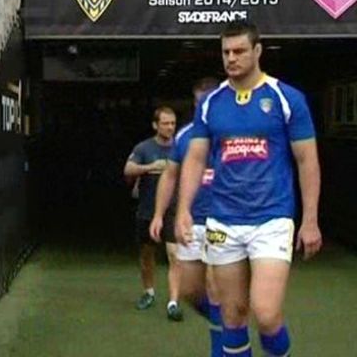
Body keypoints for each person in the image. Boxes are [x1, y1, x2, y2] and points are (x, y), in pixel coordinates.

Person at [176, 20, 322, 357]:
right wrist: (183, 209)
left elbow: (307, 161)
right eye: (226, 51)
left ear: (257, 51)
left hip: (272, 218)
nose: (232, 57)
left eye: (239, 50)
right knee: (232, 314)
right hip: (224, 219)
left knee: (267, 314)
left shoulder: (286, 99)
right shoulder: (211, 103)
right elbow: (196, 158)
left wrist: (310, 219)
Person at [150, 77, 222, 356]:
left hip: (225, 219)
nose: (204, 107)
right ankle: (225, 322)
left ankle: (223, 345)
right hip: (191, 220)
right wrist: (158, 214)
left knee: (217, 284)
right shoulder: (186, 136)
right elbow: (169, 176)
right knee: (192, 290)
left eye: (209, 101)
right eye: (198, 102)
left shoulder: (234, 131)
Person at [123, 106, 182, 320]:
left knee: (175, 255)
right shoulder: (144, 148)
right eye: (165, 123)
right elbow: (128, 170)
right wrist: (149, 167)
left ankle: (173, 302)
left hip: (173, 209)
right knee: (147, 255)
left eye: (173, 123)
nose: (170, 127)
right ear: (155, 125)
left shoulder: (181, 146)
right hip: (147, 209)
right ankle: (149, 292)